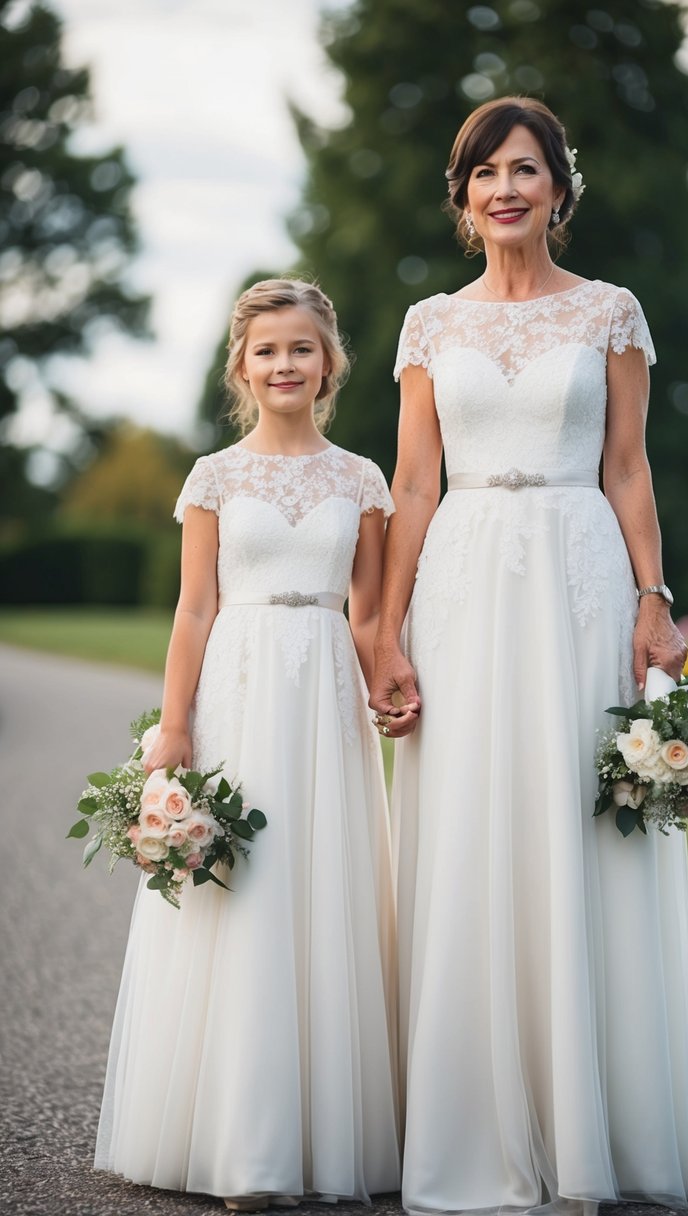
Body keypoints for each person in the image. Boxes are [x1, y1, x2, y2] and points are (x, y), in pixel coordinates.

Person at [370, 97, 688, 1215]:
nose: (505, 189)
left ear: (559, 191)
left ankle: (600, 1127)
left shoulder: (611, 315)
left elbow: (628, 469)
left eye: (525, 169)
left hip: (580, 574)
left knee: (588, 820)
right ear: (463, 195)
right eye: (485, 172)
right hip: (465, 578)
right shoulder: (430, 325)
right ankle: (476, 1128)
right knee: (475, 819)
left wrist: (652, 599)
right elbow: (415, 486)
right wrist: (383, 631)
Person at [95, 279, 401, 1211]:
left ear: (328, 362)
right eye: (266, 351)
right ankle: (239, 1141)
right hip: (237, 688)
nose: (283, 366)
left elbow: (371, 610)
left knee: (324, 885)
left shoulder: (361, 481)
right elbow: (194, 609)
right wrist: (175, 723)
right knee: (244, 888)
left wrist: (389, 677)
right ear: (241, 366)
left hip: (325, 699)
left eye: (300, 349)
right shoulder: (213, 478)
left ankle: (322, 1130)